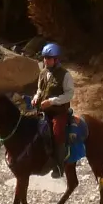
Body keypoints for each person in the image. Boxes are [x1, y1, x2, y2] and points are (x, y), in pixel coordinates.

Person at [31, 43, 76, 177]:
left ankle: (59, 166)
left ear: (56, 59)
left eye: (49, 58)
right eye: (45, 58)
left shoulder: (65, 75)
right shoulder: (43, 73)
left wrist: (51, 101)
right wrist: (36, 97)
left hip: (59, 112)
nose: (46, 60)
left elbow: (69, 94)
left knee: (57, 133)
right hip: (43, 110)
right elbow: (40, 90)